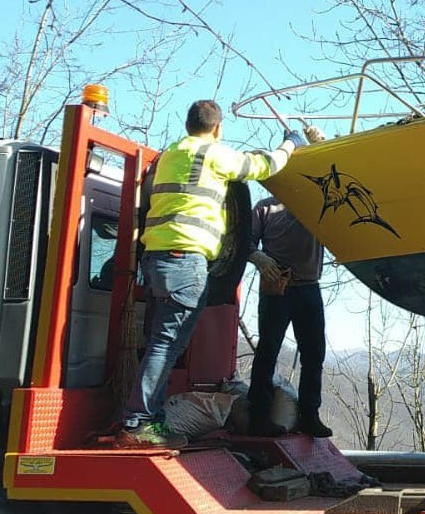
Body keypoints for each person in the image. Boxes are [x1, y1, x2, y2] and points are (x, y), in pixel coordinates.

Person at [116, 100, 306, 448]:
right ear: (217, 129)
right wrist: (292, 142)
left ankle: (148, 420)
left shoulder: (171, 154)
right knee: (166, 345)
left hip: (156, 258)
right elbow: (263, 165)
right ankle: (138, 422)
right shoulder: (213, 154)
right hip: (185, 260)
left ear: (188, 124)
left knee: (163, 342)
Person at [245, 183, 333, 438]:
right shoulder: (264, 207)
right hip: (277, 289)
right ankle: (258, 416)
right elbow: (245, 243)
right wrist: (259, 258)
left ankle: (309, 415)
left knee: (314, 353)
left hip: (309, 287)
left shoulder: (315, 206)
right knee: (268, 350)